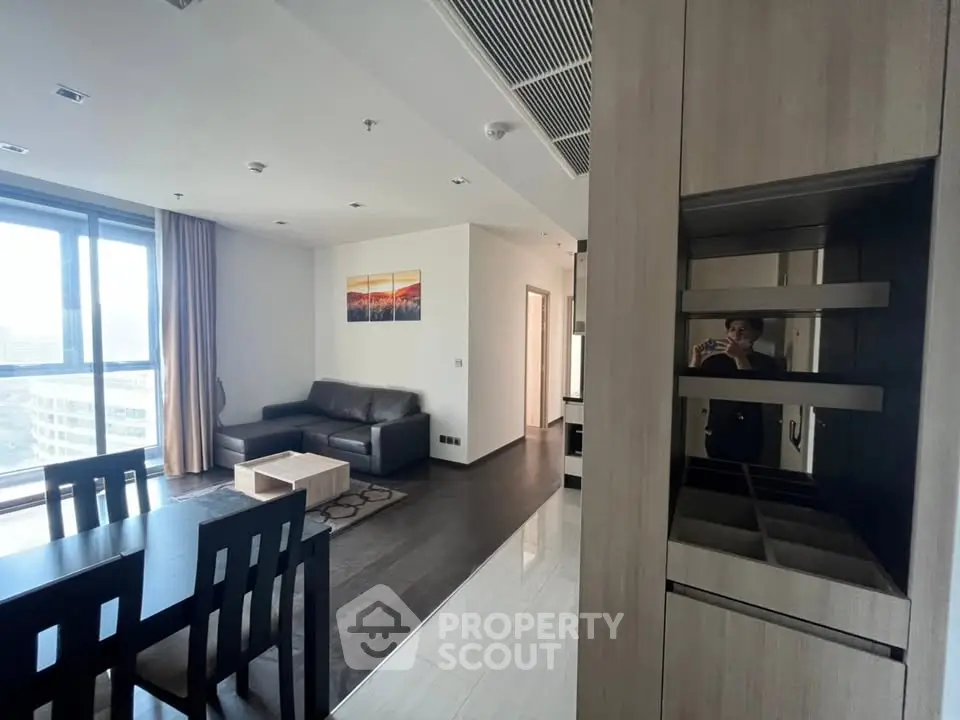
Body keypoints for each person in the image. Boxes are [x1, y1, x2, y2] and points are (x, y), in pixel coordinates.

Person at [689, 318, 778, 464]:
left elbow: (754, 390)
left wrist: (739, 356)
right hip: (717, 431)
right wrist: (696, 357)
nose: (736, 335)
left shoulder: (766, 363)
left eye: (742, 329)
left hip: (748, 434)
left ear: (756, 334)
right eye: (732, 329)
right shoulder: (715, 361)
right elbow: (692, 387)